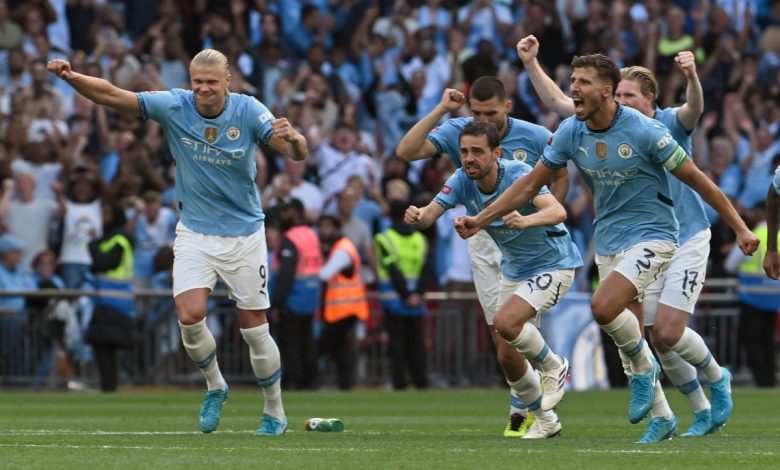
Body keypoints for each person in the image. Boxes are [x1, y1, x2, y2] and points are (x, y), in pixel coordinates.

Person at [455, 53, 758, 444]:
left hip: (656, 235)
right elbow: (530, 185)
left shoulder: (646, 130)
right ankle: (662, 418)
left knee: (604, 306)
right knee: (627, 332)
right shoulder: (571, 131)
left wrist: (739, 227)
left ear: (606, 91)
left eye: (582, 82)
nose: (574, 88)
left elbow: (699, 180)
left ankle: (664, 378)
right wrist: (481, 219)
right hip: (609, 238)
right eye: (573, 80)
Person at [48, 48, 308, 435]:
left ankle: (274, 410)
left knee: (254, 328)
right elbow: (113, 95)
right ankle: (216, 386)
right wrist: (73, 77)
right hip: (195, 231)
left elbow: (295, 153)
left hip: (244, 234)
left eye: (211, 82)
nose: (203, 89)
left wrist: (297, 138)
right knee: (189, 316)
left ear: (227, 82)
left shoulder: (249, 110)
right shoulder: (174, 106)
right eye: (197, 81)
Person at [516, 34, 735, 437]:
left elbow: (696, 108)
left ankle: (715, 377)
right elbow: (558, 104)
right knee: (643, 334)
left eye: (630, 94)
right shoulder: (597, 122)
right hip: (626, 238)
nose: (623, 100)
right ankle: (675, 414)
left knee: (667, 332)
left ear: (650, 98)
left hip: (683, 236)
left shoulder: (665, 123)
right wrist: (532, 63)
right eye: (619, 93)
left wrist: (691, 76)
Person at [396, 75, 567, 437]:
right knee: (504, 343)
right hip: (486, 238)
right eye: (476, 113)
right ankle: (538, 412)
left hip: (533, 241)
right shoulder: (463, 140)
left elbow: (558, 180)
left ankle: (531, 397)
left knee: (514, 326)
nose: (483, 121)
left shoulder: (533, 139)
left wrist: (539, 216)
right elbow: (406, 153)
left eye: (490, 113)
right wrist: (442, 108)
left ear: (507, 107)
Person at [374, 200, 431, 390]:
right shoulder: (420, 239)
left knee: (397, 345)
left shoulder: (384, 239)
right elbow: (425, 270)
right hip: (416, 301)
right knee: (417, 343)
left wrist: (406, 295)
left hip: (394, 300)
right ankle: (421, 380)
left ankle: (400, 382)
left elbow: (391, 269)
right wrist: (417, 294)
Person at [726, 200, 779, 387]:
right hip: (774, 299)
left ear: (759, 213)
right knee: (768, 341)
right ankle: (770, 380)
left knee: (753, 341)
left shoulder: (753, 235)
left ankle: (761, 380)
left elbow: (730, 265)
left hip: (750, 299)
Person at [271, 198, 322, 390]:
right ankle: (310, 378)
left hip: (294, 296)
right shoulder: (311, 234)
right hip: (311, 293)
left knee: (290, 342)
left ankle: (293, 378)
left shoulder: (291, 237)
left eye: (287, 211)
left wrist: (277, 303)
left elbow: (286, 272)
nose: (283, 215)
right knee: (307, 340)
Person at [84, 200, 135, 392]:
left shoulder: (119, 238)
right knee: (104, 349)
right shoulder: (112, 237)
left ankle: (109, 388)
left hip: (113, 303)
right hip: (108, 301)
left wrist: (93, 245)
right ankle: (109, 387)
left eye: (107, 213)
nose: (103, 218)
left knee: (106, 348)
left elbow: (105, 263)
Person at [317, 215, 369, 390]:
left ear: (337, 229)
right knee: (341, 348)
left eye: (327, 227)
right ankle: (345, 384)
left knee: (323, 345)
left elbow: (324, 274)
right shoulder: (341, 247)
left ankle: (307, 379)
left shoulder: (341, 249)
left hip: (344, 309)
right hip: (345, 308)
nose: (323, 231)